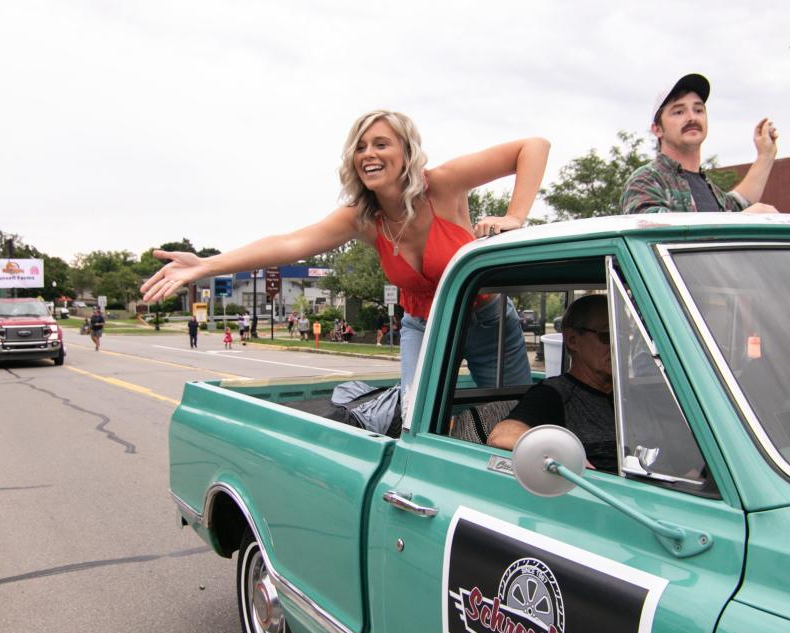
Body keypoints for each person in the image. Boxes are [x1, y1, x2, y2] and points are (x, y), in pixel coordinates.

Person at [141, 110, 549, 404]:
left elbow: (532, 147)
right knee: (415, 413)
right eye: (361, 147)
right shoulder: (361, 217)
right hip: (422, 325)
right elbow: (288, 243)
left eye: (381, 144)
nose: (368, 153)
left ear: (406, 152)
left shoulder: (441, 185)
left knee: (512, 414)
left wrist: (515, 216)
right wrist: (208, 265)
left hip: (486, 319)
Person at [487, 295, 616, 472]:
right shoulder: (554, 394)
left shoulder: (635, 395)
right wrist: (565, 456)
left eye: (624, 334)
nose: (619, 343)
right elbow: (503, 436)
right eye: (607, 336)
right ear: (572, 340)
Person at [622, 73, 779, 214]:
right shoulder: (645, 180)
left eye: (698, 110)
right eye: (679, 112)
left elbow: (740, 204)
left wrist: (766, 155)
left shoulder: (711, 191)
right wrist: (743, 222)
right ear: (657, 129)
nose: (692, 117)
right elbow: (655, 236)